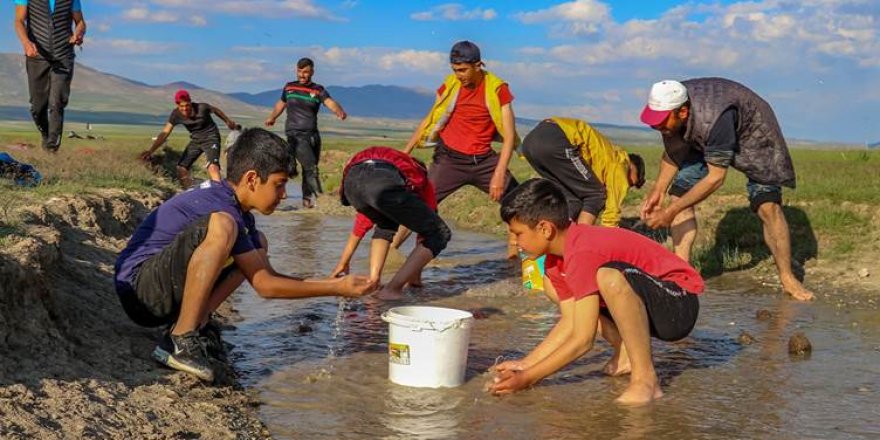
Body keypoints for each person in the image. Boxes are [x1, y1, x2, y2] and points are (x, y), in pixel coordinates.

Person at [115, 128, 376, 382]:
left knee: (257, 243)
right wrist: (336, 287)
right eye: (279, 184)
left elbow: (265, 279)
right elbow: (266, 288)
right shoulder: (222, 209)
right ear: (252, 179)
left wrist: (336, 286)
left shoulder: (239, 213)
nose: (284, 195)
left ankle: (197, 322)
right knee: (223, 226)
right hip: (141, 292)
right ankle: (181, 339)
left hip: (160, 289)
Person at [490, 179, 704, 405]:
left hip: (679, 304)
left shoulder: (583, 250)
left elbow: (583, 339)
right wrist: (526, 364)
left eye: (518, 233)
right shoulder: (554, 262)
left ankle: (646, 381)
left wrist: (529, 378)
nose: (514, 242)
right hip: (650, 305)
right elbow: (571, 322)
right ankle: (625, 355)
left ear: (545, 228)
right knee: (557, 287)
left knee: (609, 277)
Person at [638, 78, 814, 301]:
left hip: (754, 135)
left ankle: (788, 278)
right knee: (678, 196)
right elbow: (673, 153)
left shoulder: (716, 118)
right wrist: (659, 189)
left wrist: (669, 213)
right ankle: (682, 275)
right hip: (703, 134)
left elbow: (715, 178)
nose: (657, 127)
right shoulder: (671, 108)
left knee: (767, 207)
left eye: (661, 122)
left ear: (682, 112)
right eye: (653, 122)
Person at [402, 40, 520, 257]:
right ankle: (392, 252)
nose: (459, 75)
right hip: (449, 159)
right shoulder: (449, 86)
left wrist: (499, 173)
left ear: (478, 65)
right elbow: (430, 118)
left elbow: (510, 134)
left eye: (463, 70)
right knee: (418, 205)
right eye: (455, 70)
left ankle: (513, 259)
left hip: (484, 160)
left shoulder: (498, 89)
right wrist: (406, 152)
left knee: (520, 205)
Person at [330, 146, 451, 298]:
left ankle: (373, 282)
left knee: (385, 223)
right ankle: (392, 289)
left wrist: (343, 262)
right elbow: (427, 233)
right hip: (380, 178)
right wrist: (414, 278)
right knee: (440, 234)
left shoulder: (395, 161)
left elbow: (362, 223)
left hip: (351, 183)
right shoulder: (421, 178)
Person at [521, 117, 646, 227]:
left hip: (530, 142)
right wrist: (611, 238)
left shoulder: (605, 156)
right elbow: (610, 216)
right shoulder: (621, 164)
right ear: (631, 166)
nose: (624, 185)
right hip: (557, 140)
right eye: (629, 182)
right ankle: (580, 245)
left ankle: (552, 241)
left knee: (572, 200)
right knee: (596, 195)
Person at [265, 57, 347, 209]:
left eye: (306, 72)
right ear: (296, 70)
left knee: (309, 168)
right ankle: (323, 202)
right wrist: (272, 117)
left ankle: (307, 201)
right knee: (311, 169)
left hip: (313, 135)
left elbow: (329, 101)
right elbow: (281, 104)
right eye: (299, 71)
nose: (302, 75)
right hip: (295, 135)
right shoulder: (289, 87)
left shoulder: (318, 89)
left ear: (312, 72)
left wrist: (339, 111)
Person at [13, 0, 86, 152]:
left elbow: (80, 22)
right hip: (37, 54)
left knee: (57, 102)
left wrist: (78, 34)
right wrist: (26, 42)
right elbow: (19, 20)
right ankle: (46, 135)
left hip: (63, 55)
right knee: (37, 107)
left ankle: (52, 149)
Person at [139, 90, 238, 188]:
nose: (185, 109)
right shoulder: (176, 114)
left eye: (187, 105)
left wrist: (227, 121)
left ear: (190, 102)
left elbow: (216, 110)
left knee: (212, 167)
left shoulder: (202, 107)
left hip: (211, 137)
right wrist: (151, 151)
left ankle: (219, 193)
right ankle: (190, 192)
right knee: (181, 168)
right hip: (196, 140)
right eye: (181, 106)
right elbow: (165, 133)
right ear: (177, 105)